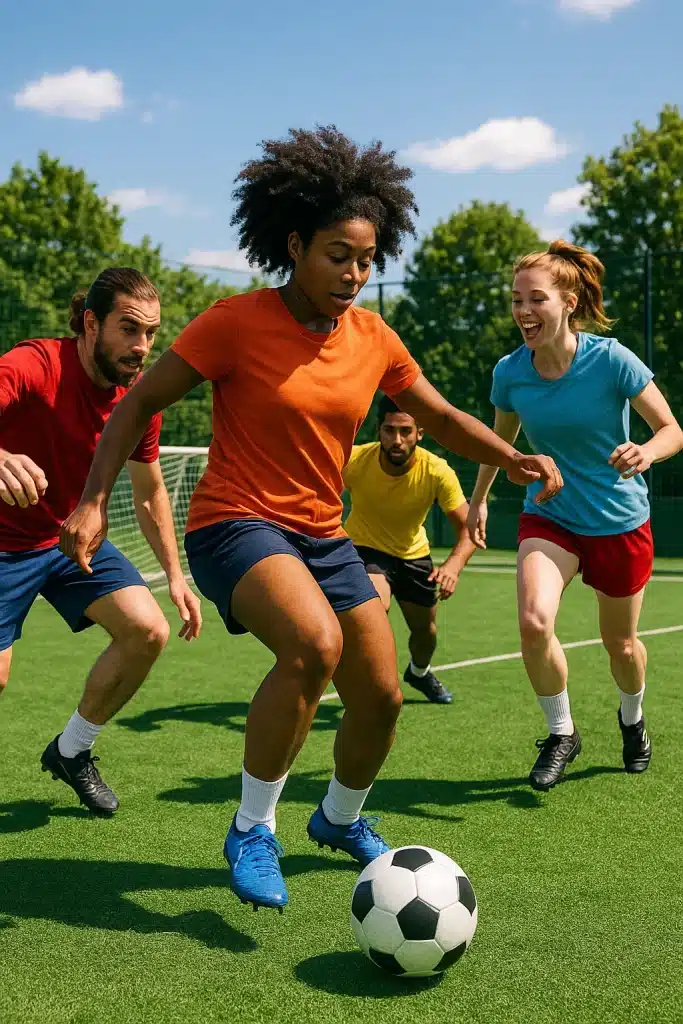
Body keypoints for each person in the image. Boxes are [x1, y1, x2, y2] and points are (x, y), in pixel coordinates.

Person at [60, 126, 562, 912]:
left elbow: (437, 414)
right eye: (337, 255)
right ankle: (252, 830)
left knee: (381, 695)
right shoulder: (233, 321)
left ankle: (337, 818)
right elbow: (137, 408)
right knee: (312, 645)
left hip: (324, 534)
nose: (354, 274)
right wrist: (92, 499)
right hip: (232, 524)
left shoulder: (372, 336)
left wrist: (514, 456)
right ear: (293, 245)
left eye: (365, 259)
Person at [467, 240, 683, 792]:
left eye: (535, 298)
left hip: (619, 521)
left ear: (569, 302)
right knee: (534, 622)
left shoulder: (611, 360)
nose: (522, 311)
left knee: (622, 647)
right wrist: (479, 498)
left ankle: (632, 720)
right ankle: (561, 733)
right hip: (551, 515)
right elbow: (503, 442)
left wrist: (647, 452)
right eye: (516, 299)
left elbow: (671, 430)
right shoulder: (510, 372)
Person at [0, 268, 201, 815]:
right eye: (129, 329)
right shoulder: (36, 365)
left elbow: (149, 493)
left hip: (67, 541)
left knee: (148, 629)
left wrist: (176, 575)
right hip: (3, 545)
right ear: (91, 322)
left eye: (151, 333)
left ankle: (73, 751)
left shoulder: (138, 399)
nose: (142, 347)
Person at [344, 395, 476, 704]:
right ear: (378, 430)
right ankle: (371, 684)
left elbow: (468, 530)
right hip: (365, 550)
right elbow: (318, 495)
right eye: (389, 430)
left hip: (413, 556)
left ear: (420, 433)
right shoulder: (354, 460)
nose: (397, 440)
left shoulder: (437, 472)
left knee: (426, 633)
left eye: (405, 431)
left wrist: (453, 566)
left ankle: (419, 673)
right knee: (374, 607)